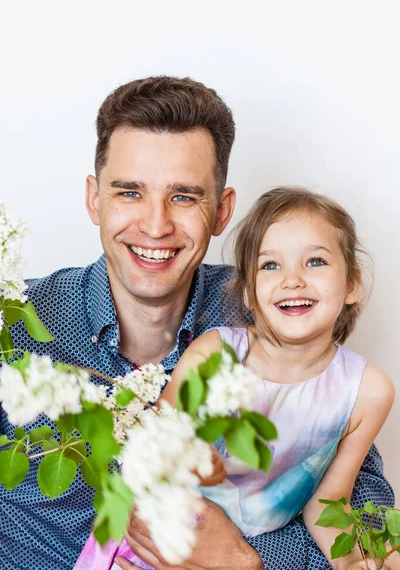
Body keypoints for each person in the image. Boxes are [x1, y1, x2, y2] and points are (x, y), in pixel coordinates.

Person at [0, 78, 394, 570]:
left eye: (184, 197)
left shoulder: (271, 312)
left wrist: (242, 562)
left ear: (222, 211)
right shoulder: (13, 326)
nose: (156, 225)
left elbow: (362, 510)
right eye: (129, 192)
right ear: (94, 198)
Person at [84, 186, 394, 570]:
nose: (293, 279)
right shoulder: (216, 353)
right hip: (153, 546)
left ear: (352, 284)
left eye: (315, 261)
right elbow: (152, 445)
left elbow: (329, 500)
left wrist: (352, 562)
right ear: (248, 291)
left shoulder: (367, 390)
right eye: (270, 265)